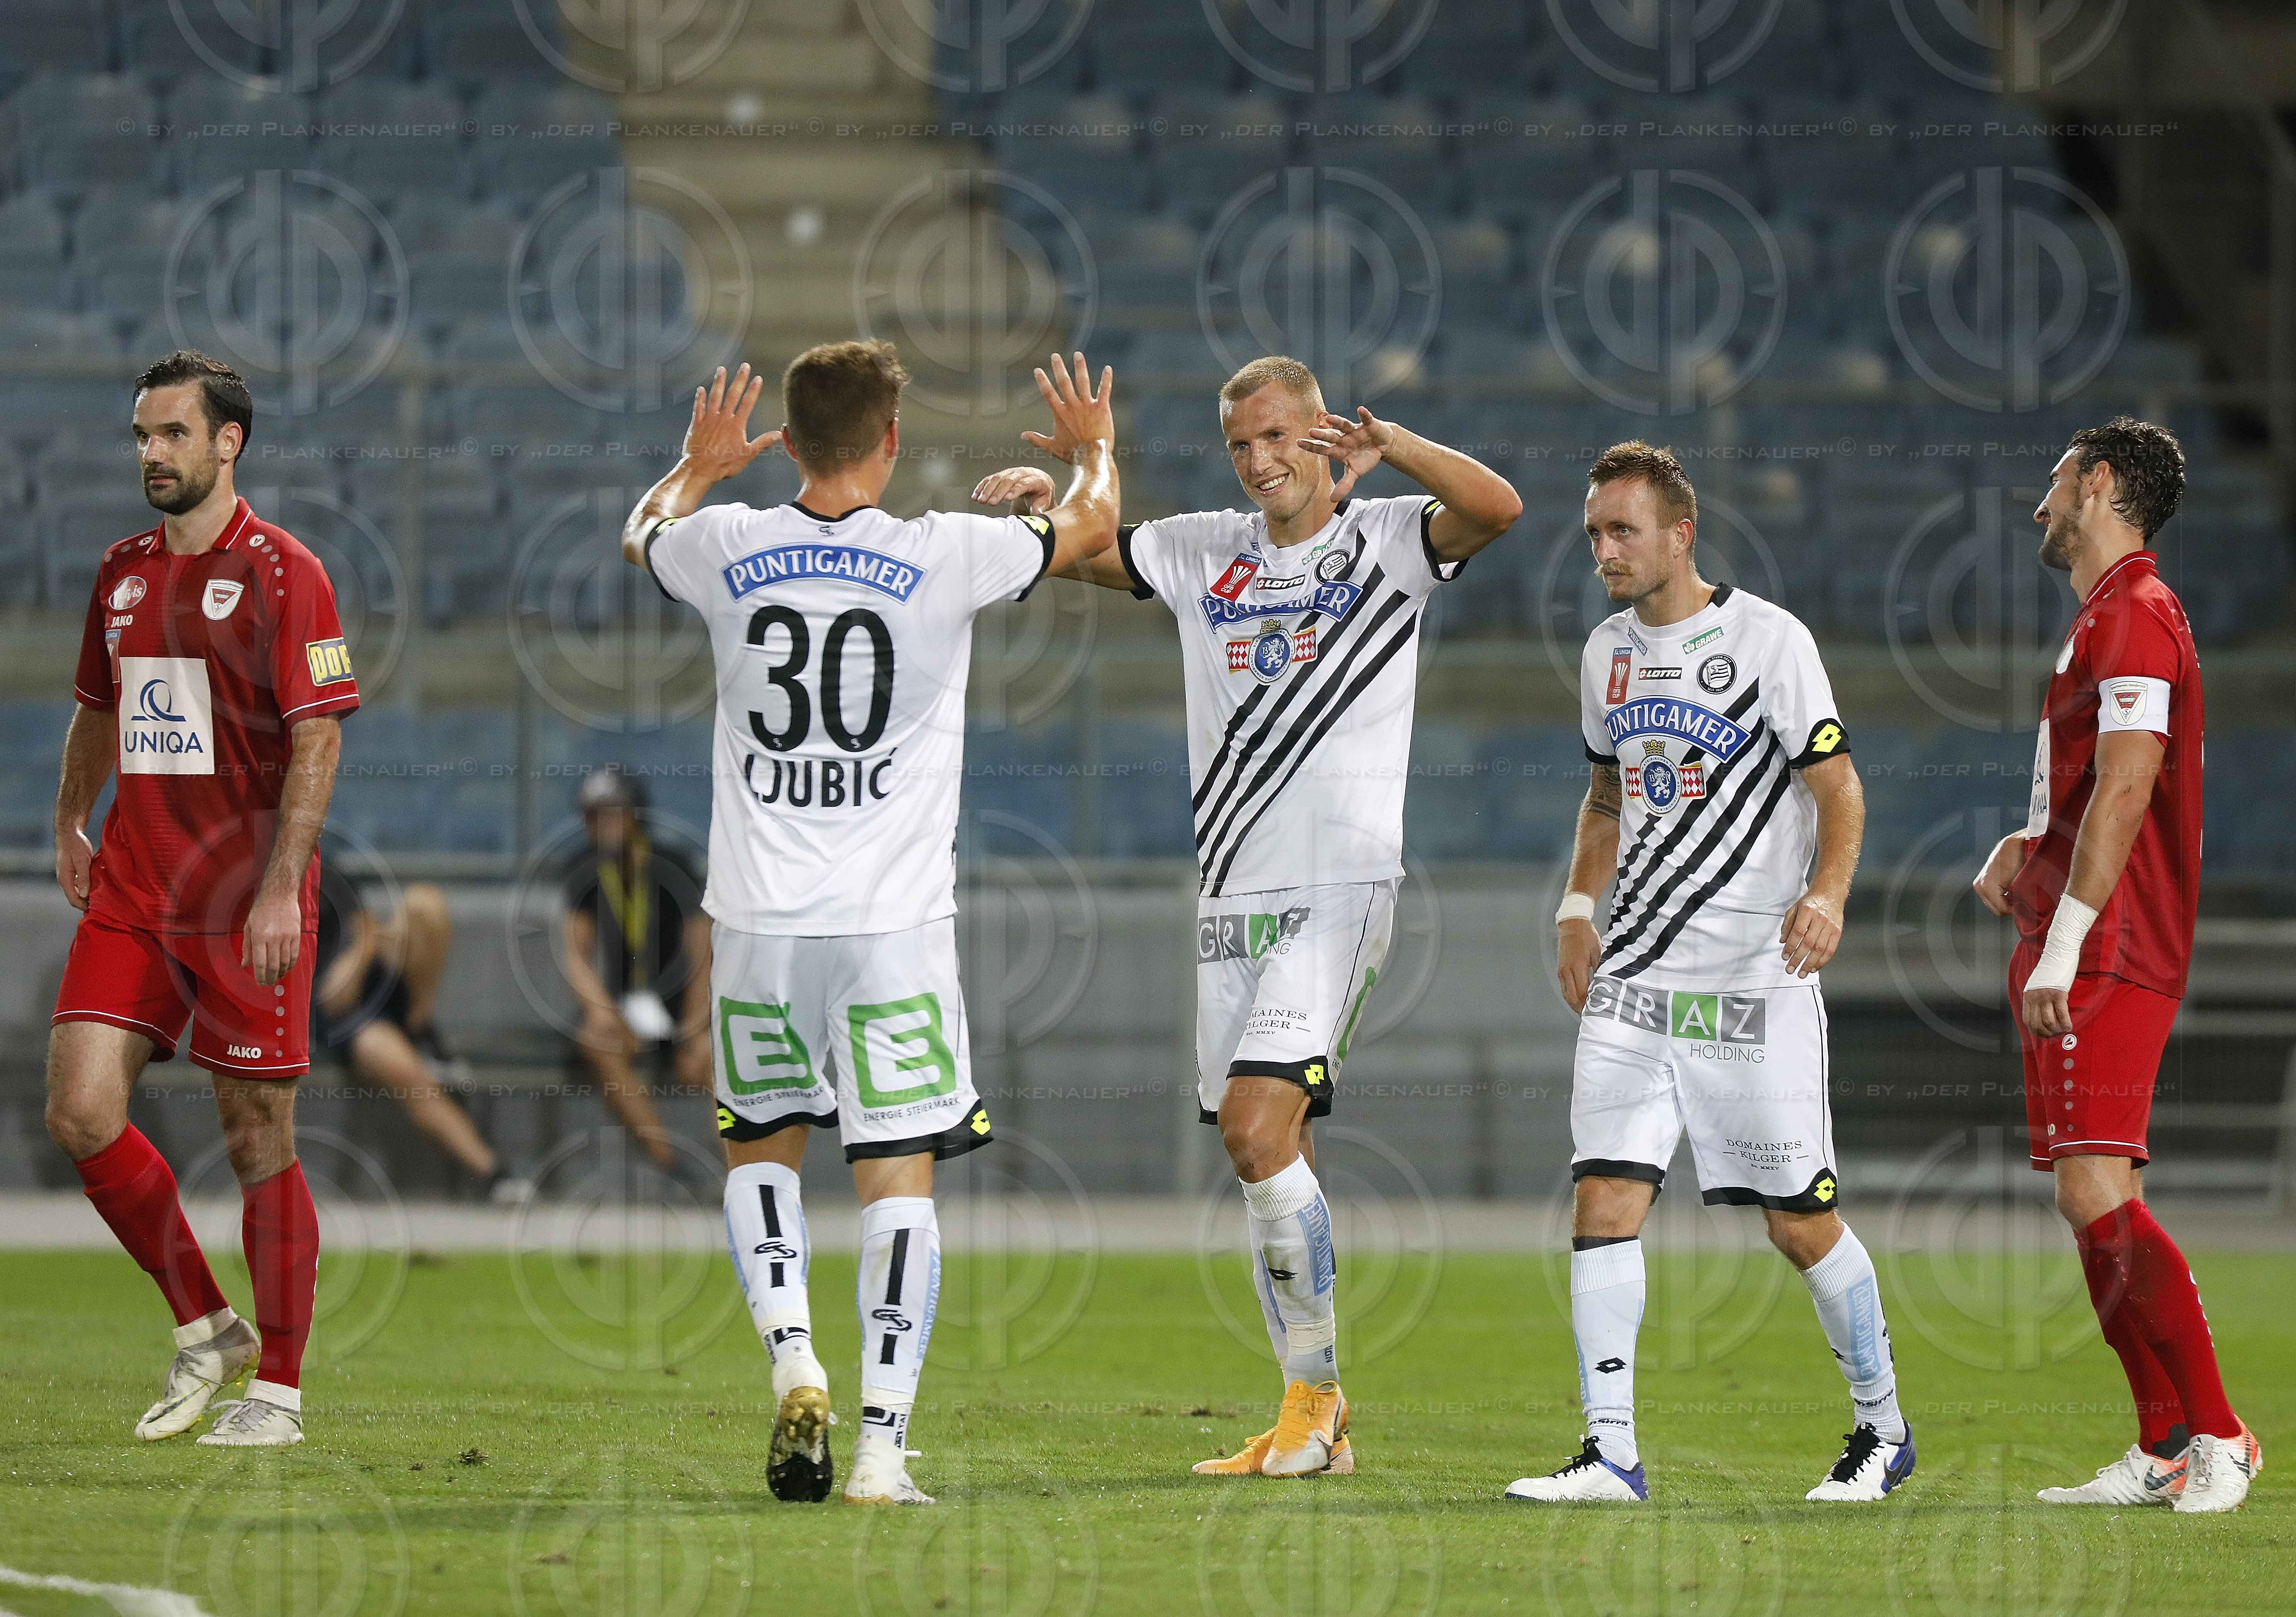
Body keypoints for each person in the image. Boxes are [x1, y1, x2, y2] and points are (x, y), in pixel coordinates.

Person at [973, 354, 1520, 1479]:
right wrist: (1075, 478)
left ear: (1317, 432)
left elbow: (1496, 508)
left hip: (1338, 886)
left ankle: (1317, 1403)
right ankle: (1305, 1415)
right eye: (1241, 443)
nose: (1261, 460)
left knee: (1255, 1128)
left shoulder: (1385, 543)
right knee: (1272, 1152)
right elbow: (1090, 545)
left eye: (1278, 436)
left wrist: (1396, 444)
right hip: (1232, 897)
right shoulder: (1202, 547)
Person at [621, 343, 1119, 1504]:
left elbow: (641, 530)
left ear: (786, 442)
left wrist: (695, 469)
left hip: (757, 920)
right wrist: (1090, 446)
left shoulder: (724, 544)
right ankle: (884, 1452)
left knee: (759, 1151)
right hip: (892, 921)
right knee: (899, 1179)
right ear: (891, 441)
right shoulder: (941, 549)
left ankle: (797, 1365)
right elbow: (1092, 528)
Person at [1503, 441, 1911, 1505]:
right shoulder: (1604, 654)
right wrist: (1576, 910)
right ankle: (1610, 1454)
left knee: (1797, 1221)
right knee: (1604, 1198)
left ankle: (1883, 1430)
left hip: (1750, 982)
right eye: (1594, 532)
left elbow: (1840, 789)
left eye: (1622, 530)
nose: (1604, 550)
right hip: (1634, 977)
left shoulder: (1770, 641)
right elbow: (1606, 800)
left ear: (1680, 535)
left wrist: (1824, 896)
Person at [44, 349, 360, 1448]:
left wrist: (284, 889)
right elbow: (100, 704)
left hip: (242, 898)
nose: (151, 454)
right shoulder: (121, 572)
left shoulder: (285, 572)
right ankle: (204, 1324)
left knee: (255, 1126)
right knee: (81, 1109)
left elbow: (317, 737)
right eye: (142, 436)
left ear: (229, 443)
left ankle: (278, 1388)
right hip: (135, 882)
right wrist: (71, 818)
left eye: (172, 434)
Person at [1970, 417, 2260, 1513]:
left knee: (2096, 1190)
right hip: (2083, 931)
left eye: (2053, 484)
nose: (2039, 506)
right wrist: (2030, 844)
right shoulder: (2108, 616)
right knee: (2090, 1198)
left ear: (2096, 485)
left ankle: (2221, 1432)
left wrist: (2068, 939)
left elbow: (2134, 784)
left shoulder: (2137, 609)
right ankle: (2162, 1443)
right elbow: (2101, 782)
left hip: (2111, 946)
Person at [310, 834, 529, 1203]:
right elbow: (330, 996)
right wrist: (359, 952)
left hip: (370, 985)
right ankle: (492, 1174)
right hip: (332, 1016)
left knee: (423, 904)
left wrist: (367, 947)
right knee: (406, 1071)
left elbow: (363, 923)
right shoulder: (254, 882)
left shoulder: (320, 860)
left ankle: (419, 1029)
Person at [558, 767, 713, 1175]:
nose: (603, 825)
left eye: (612, 813)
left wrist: (696, 1028)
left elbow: (702, 951)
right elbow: (576, 953)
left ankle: (744, 1169)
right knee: (597, 1041)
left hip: (680, 1004)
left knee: (720, 1060)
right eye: (594, 817)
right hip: (621, 1005)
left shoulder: (670, 864)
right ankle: (668, 1161)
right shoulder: (584, 870)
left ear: (635, 815)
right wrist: (598, 1008)